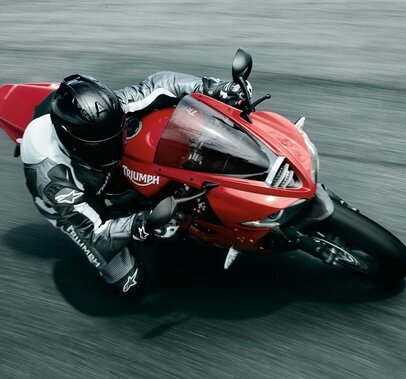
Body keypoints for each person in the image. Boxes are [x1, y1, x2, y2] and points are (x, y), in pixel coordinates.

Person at [19, 72, 249, 296]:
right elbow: (97, 234)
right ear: (75, 144)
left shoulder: (106, 114)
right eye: (101, 145)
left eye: (115, 133)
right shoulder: (54, 180)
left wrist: (215, 87)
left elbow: (160, 84)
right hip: (74, 208)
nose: (114, 145)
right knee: (130, 283)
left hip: (98, 170)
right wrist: (141, 224)